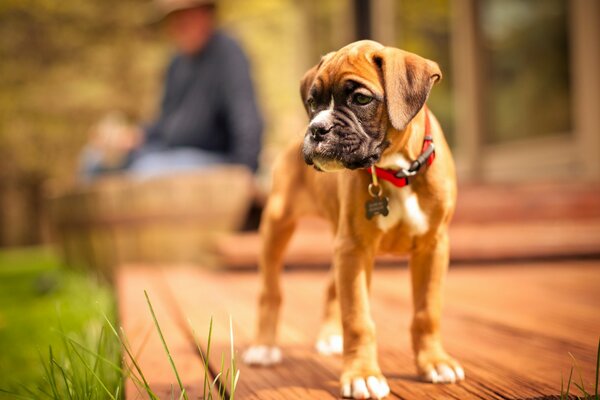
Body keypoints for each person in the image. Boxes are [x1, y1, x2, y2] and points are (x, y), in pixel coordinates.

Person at [80, 0, 263, 181]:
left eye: (187, 17)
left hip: (213, 159)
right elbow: (166, 123)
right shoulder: (177, 64)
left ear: (206, 15)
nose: (180, 26)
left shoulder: (228, 53)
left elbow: (247, 119)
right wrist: (136, 137)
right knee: (93, 161)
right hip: (166, 152)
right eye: (175, 19)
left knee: (147, 171)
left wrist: (244, 171)